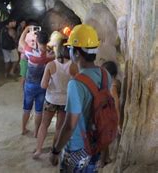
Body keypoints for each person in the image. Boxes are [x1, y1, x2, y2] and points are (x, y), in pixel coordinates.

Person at [49, 24, 114, 172]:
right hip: (97, 143)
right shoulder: (105, 75)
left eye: (71, 48)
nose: (69, 51)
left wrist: (55, 151)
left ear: (77, 53)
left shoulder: (76, 84)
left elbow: (70, 125)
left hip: (78, 146)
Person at [33, 31, 78, 159]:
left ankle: (38, 150)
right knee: (59, 127)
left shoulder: (51, 65)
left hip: (51, 99)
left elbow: (43, 85)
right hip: (65, 101)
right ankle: (54, 150)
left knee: (44, 125)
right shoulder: (74, 66)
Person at [19, 27, 55, 136]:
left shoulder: (30, 52)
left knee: (26, 108)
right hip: (41, 86)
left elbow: (21, 41)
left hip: (29, 84)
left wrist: (26, 29)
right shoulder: (48, 56)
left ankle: (23, 129)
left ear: (37, 41)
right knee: (39, 110)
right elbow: (56, 55)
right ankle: (36, 132)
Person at [100, 60, 121, 166]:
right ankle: (106, 159)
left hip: (109, 117)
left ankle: (101, 162)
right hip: (106, 116)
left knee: (103, 141)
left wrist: (118, 123)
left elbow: (116, 105)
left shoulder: (112, 87)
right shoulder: (113, 83)